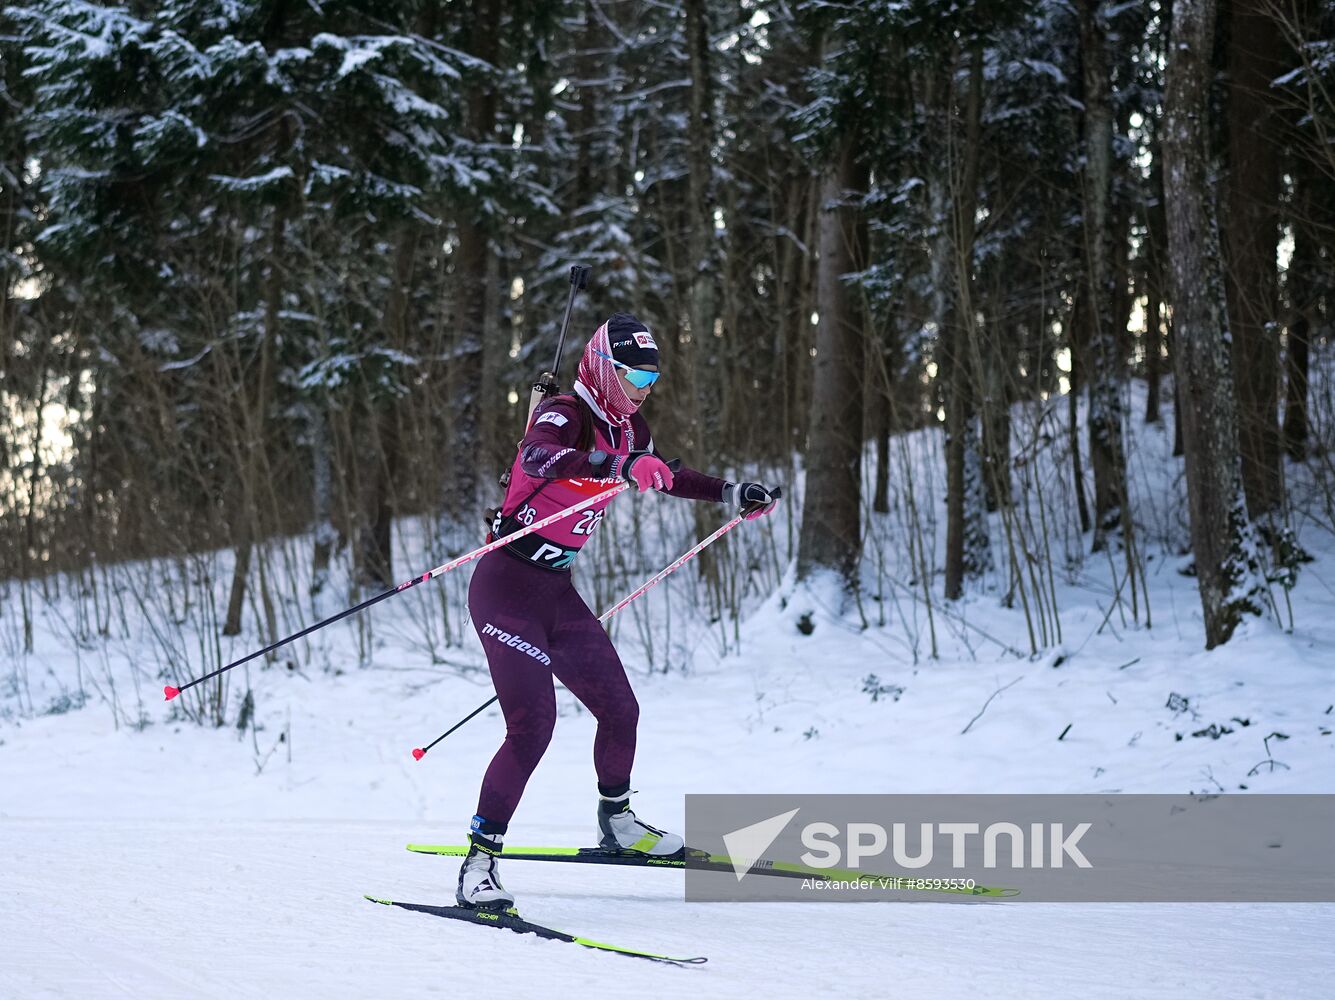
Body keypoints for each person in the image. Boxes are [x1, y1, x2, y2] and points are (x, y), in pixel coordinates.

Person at [457, 312, 780, 910]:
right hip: (505, 590)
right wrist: (618, 467)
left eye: (652, 377)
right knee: (533, 728)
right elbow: (537, 458)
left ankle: (617, 822)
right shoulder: (566, 414)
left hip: (555, 591)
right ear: (605, 369)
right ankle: (479, 863)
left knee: (620, 709)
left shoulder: (630, 428)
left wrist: (730, 493)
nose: (645, 388)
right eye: (635, 375)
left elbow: (667, 475)